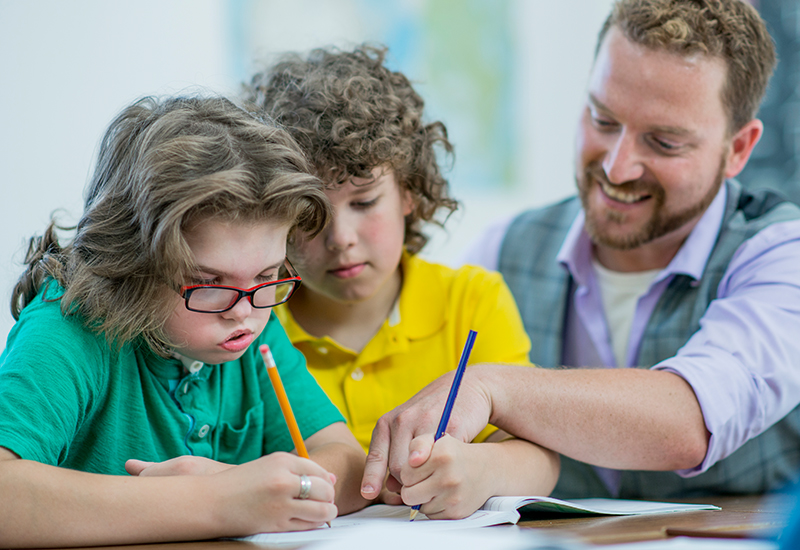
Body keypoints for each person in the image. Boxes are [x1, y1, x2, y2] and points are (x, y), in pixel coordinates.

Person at [362, 0, 800, 501]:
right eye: (603, 120)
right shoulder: (504, 251)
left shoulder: (781, 257)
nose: (617, 167)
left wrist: (494, 387)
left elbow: (690, 422)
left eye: (663, 142)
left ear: (739, 149)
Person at [0, 96, 369, 548]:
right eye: (208, 282)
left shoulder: (253, 323)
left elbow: (349, 462)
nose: (245, 312)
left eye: (267, 275)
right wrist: (213, 499)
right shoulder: (68, 328)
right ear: (131, 264)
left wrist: (244, 488)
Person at [243, 44, 559, 519]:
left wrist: (484, 469)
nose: (341, 239)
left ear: (409, 191)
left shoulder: (472, 300)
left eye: (365, 202)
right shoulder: (248, 322)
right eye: (311, 214)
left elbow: (540, 456)